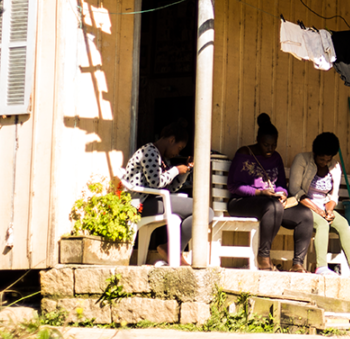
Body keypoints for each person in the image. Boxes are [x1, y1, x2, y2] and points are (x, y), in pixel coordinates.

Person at [227, 113, 313, 271]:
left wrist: (282, 194)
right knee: (273, 206)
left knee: (305, 215)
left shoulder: (276, 157)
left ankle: (297, 264)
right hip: (242, 202)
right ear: (258, 140)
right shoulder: (245, 154)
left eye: (274, 145)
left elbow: (280, 184)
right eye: (266, 145)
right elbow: (233, 186)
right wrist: (260, 193)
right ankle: (264, 257)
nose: (270, 149)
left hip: (272, 203)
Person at [123, 119, 211, 265]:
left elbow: (170, 188)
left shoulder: (162, 159)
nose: (178, 152)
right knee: (202, 211)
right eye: (179, 147)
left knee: (204, 212)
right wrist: (176, 170)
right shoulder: (149, 152)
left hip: (155, 201)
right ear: (171, 140)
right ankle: (171, 250)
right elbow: (156, 182)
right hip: (141, 204)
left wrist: (184, 172)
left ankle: (171, 249)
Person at [288, 132, 350, 275]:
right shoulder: (302, 159)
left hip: (323, 207)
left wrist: (330, 211)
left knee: (343, 224)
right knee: (322, 224)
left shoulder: (335, 166)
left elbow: (333, 195)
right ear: (315, 152)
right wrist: (318, 211)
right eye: (321, 159)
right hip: (302, 205)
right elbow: (295, 190)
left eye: (328, 159)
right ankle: (321, 267)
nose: (325, 162)